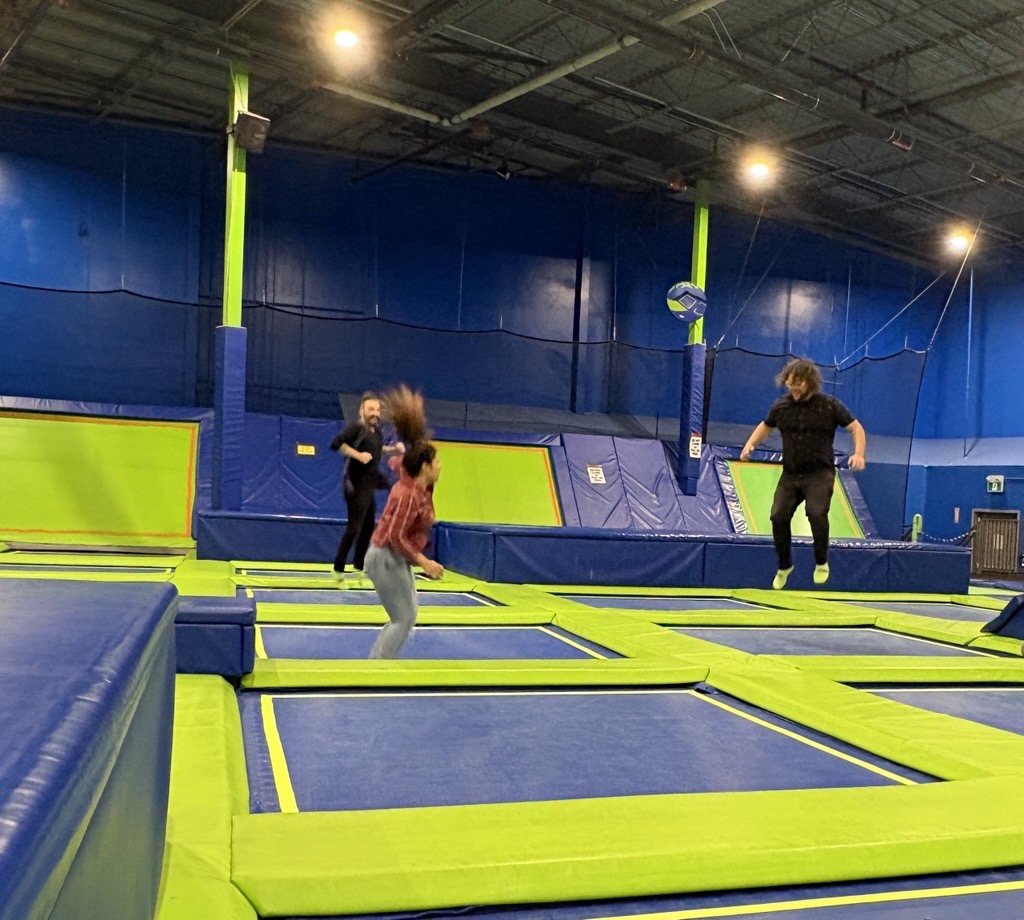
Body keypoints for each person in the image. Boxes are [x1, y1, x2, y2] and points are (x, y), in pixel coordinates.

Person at [740, 357, 866, 589]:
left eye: (800, 384)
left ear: (810, 382)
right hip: (791, 474)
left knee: (816, 513)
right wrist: (751, 444)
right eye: (791, 384)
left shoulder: (828, 405)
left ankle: (821, 561)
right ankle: (785, 565)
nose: (795, 388)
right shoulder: (781, 406)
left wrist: (858, 454)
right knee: (778, 516)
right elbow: (765, 426)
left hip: (819, 473)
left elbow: (856, 428)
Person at [364, 385, 444, 659]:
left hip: (396, 557)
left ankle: (382, 662)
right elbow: (397, 537)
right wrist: (425, 562)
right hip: (385, 556)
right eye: (437, 463)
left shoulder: (420, 483)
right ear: (425, 467)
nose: (440, 467)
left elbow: (398, 462)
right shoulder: (408, 494)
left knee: (409, 614)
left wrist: (413, 444)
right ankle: (377, 669)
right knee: (403, 618)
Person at [330, 392, 403, 580]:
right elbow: (337, 444)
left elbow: (378, 450)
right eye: (371, 409)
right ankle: (338, 569)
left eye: (377, 410)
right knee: (354, 527)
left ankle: (358, 566)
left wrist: (393, 450)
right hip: (354, 485)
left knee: (368, 526)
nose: (375, 413)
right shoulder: (357, 428)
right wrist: (358, 455)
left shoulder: (377, 432)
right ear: (362, 410)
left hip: (368, 485)